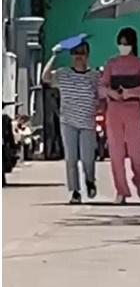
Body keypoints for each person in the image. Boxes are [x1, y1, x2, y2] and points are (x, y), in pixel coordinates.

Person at [42, 38, 99, 204]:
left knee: (88, 158)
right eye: (75, 53)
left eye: (82, 53)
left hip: (87, 122)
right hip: (68, 122)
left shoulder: (94, 76)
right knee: (71, 158)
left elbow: (102, 94)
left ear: (87, 55)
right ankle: (75, 191)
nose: (78, 56)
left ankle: (90, 180)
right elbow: (45, 78)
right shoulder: (63, 73)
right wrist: (54, 55)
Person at [100, 27, 140, 204]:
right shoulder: (111, 63)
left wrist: (130, 92)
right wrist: (111, 93)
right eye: (121, 43)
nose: (123, 46)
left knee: (137, 150)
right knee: (116, 152)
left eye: (126, 43)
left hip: (133, 108)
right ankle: (121, 190)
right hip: (114, 109)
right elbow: (102, 86)